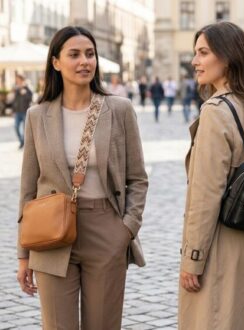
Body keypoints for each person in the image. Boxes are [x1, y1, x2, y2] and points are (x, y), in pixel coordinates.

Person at [16, 26, 148, 330]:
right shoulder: (38, 116)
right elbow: (27, 190)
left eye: (90, 54)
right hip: (50, 234)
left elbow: (138, 179)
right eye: (74, 55)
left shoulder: (119, 110)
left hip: (106, 229)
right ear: (56, 63)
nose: (84, 61)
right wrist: (23, 255)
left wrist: (125, 229)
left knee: (103, 324)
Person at [178, 22, 244, 330]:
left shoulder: (215, 111)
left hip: (223, 248)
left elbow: (205, 194)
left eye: (203, 53)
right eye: (195, 53)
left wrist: (192, 259)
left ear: (227, 57)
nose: (195, 61)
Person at [10, 74, 32, 149]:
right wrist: (13, 111)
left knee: (25, 129)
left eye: (19, 80)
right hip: (17, 112)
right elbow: (14, 101)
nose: (17, 81)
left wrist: (25, 93)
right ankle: (21, 141)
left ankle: (23, 142)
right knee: (16, 127)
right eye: (17, 80)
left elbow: (30, 99)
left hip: (25, 112)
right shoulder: (16, 89)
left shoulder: (28, 88)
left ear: (22, 80)